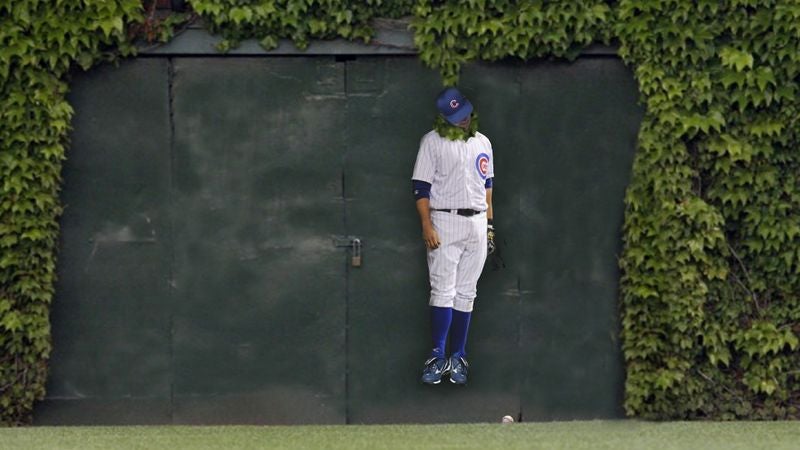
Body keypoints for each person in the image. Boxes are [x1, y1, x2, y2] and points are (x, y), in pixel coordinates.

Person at [411, 87, 495, 385]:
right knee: (443, 290)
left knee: (466, 292)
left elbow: (488, 187)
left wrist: (489, 225)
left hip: (476, 221)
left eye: (465, 114)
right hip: (444, 219)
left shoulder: (483, 142)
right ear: (444, 117)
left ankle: (458, 356)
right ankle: (437, 355)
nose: (463, 120)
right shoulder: (432, 142)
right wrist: (426, 225)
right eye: (457, 116)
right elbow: (421, 188)